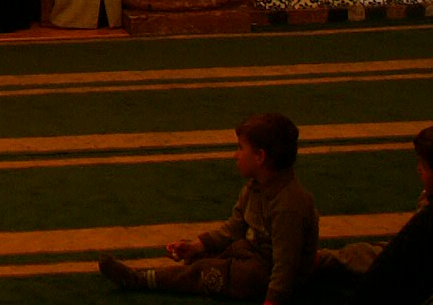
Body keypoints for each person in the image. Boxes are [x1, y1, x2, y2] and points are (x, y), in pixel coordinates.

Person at [98, 112, 319, 300]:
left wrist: (273, 300)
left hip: (263, 273)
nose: (235, 155)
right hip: (251, 252)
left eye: (241, 148)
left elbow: (285, 266)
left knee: (205, 272)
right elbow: (234, 228)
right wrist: (197, 246)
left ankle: (140, 279)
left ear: (260, 157)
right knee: (205, 254)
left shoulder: (288, 206)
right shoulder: (254, 188)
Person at [315, 124, 433, 303]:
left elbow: (397, 259)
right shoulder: (426, 205)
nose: (418, 169)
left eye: (423, 165)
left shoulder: (427, 220)